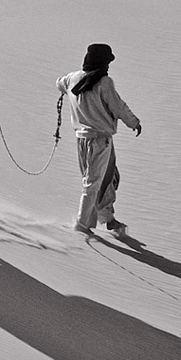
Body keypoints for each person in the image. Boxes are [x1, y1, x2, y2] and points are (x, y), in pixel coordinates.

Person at [57, 43, 141, 236]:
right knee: (94, 182)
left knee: (106, 178)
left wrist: (70, 94)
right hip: (100, 141)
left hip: (82, 141)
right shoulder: (104, 83)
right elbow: (118, 106)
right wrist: (134, 122)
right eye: (107, 62)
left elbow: (59, 83)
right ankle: (82, 226)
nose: (109, 66)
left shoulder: (73, 78)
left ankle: (107, 218)